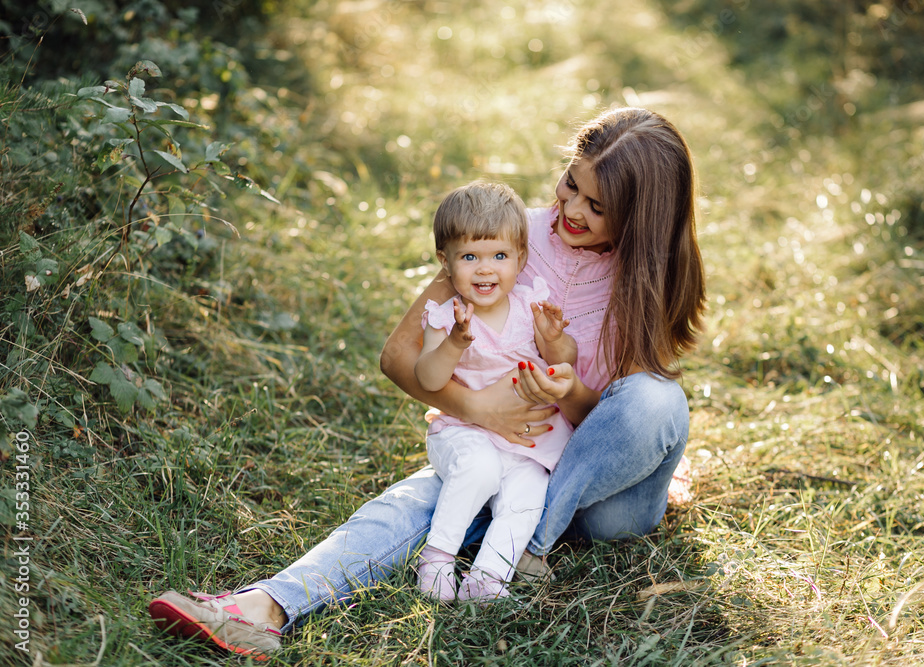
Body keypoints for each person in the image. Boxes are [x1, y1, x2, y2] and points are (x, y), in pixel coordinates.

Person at [148, 106, 706, 661]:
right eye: (570, 184)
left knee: (656, 399)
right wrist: (479, 409)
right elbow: (399, 355)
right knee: (417, 501)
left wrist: (570, 390)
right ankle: (263, 608)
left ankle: (532, 542)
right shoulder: (509, 236)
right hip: (503, 452)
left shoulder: (645, 283)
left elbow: (613, 424)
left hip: (601, 501)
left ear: (638, 219)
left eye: (596, 206)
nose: (571, 208)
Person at [413, 181, 576, 603]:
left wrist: (555, 340)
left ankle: (488, 577)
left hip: (522, 443)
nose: (486, 269)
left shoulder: (529, 306)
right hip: (464, 432)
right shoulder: (446, 316)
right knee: (481, 467)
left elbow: (563, 359)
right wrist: (453, 344)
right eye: (470, 257)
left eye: (499, 256)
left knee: (527, 495)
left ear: (520, 258)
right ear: (445, 262)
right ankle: (437, 558)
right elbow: (428, 378)